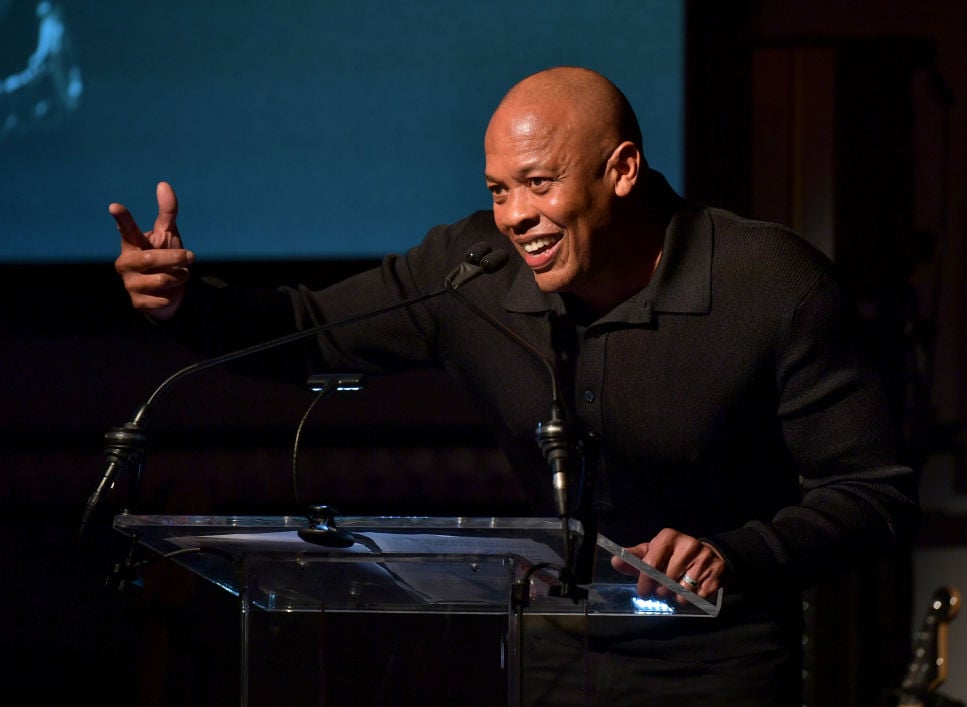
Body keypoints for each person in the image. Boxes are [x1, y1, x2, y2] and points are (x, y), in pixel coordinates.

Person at [111, 66, 918, 705]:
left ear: (623, 169)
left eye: (539, 183)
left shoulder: (770, 282)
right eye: (499, 190)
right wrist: (186, 303)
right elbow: (310, 329)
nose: (514, 215)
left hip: (719, 659)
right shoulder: (474, 270)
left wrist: (732, 552)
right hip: (549, 659)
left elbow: (873, 493)